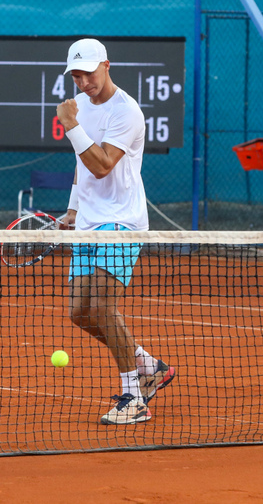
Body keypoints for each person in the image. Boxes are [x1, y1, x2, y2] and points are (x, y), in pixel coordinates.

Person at [56, 38, 175, 425]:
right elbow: (81, 163)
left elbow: (103, 164)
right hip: (89, 220)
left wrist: (72, 126)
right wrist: (74, 208)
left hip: (121, 221)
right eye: (76, 74)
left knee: (105, 309)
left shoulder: (127, 112)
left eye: (88, 73)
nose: (82, 81)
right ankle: (147, 365)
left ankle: (133, 397)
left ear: (106, 66)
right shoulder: (81, 107)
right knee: (79, 312)